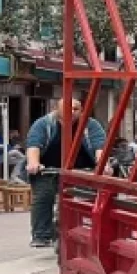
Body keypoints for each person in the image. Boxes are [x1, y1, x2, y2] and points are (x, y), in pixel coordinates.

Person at [25, 99, 106, 247]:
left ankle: (92, 232)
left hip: (82, 171)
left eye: (76, 109)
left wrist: (103, 165)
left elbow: (99, 147)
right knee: (44, 195)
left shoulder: (91, 125)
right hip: (48, 170)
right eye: (68, 108)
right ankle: (41, 234)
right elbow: (33, 145)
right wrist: (33, 163)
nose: (72, 112)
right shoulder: (44, 124)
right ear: (57, 109)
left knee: (89, 200)